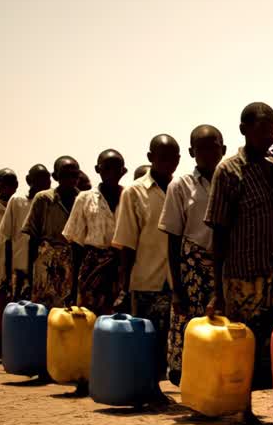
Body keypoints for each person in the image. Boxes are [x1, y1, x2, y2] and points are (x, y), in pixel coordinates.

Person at [205, 102, 273, 425]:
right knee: (243, 345)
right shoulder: (229, 171)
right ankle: (241, 407)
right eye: (262, 129)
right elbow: (217, 230)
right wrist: (217, 288)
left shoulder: (272, 168)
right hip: (242, 273)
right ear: (243, 130)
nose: (269, 136)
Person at [114, 135, 181, 390]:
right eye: (161, 157)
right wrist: (124, 284)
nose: (167, 163)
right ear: (151, 158)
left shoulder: (180, 189)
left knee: (167, 339)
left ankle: (156, 386)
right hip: (145, 279)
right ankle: (145, 387)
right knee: (145, 336)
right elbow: (127, 243)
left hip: (174, 280)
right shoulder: (134, 192)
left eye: (173, 158)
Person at [159, 125, 225, 385]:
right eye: (202, 148)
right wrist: (176, 288)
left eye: (214, 147)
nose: (209, 153)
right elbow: (173, 239)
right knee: (190, 331)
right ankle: (193, 388)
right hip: (191, 271)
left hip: (224, 267)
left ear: (224, 149)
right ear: (191, 152)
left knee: (221, 332)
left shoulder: (231, 179)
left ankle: (218, 389)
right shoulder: (181, 186)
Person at [64, 150, 126, 320]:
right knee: (89, 317)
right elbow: (75, 245)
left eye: (116, 169)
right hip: (92, 269)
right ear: (98, 169)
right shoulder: (84, 199)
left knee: (117, 321)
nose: (111, 173)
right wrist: (73, 287)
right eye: (106, 168)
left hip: (122, 267)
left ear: (123, 171)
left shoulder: (130, 197)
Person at [23, 157, 80, 309]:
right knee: (43, 312)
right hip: (46, 267)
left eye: (74, 175)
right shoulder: (43, 199)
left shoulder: (83, 200)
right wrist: (30, 278)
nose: (70, 179)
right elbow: (32, 240)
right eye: (65, 175)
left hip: (72, 265)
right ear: (55, 177)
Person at [0, 164, 51, 301]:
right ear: (29, 180)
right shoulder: (17, 201)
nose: (44, 184)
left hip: (43, 274)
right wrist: (8, 275)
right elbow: (7, 239)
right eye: (39, 180)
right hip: (20, 273)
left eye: (46, 180)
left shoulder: (50, 203)